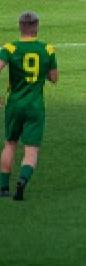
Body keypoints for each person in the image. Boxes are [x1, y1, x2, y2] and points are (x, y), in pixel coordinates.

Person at [0, 11, 58, 201]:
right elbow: (54, 78)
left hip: (14, 104)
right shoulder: (47, 49)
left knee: (10, 144)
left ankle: (3, 188)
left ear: (20, 27)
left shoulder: (9, 48)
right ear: (37, 27)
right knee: (31, 150)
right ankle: (23, 180)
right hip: (34, 107)